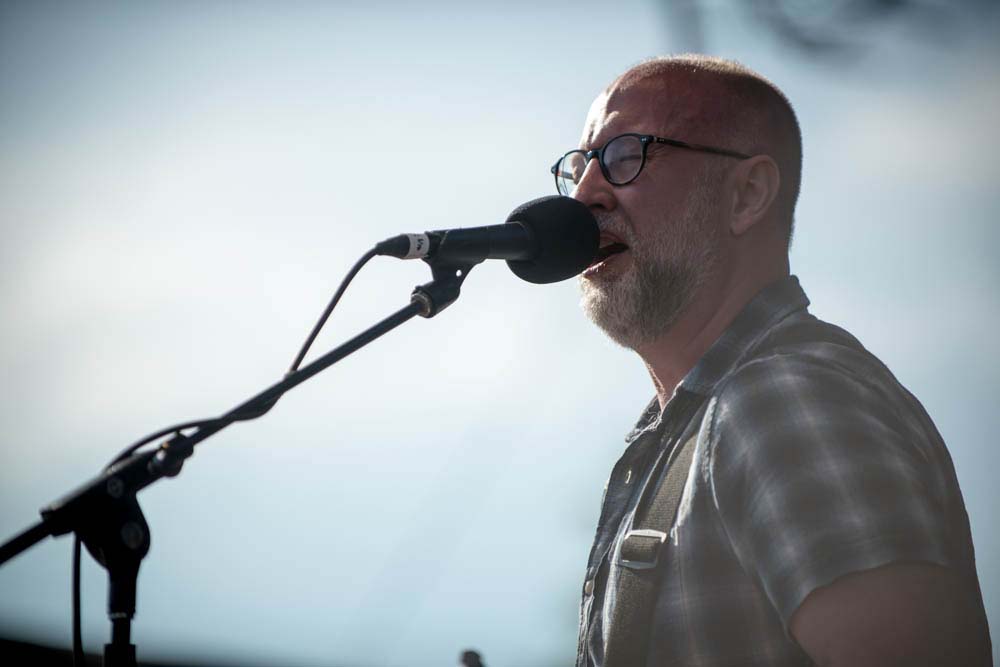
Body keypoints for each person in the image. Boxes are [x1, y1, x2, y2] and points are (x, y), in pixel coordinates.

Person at [554, 54, 993, 667]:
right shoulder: (701, 423)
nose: (585, 193)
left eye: (626, 154)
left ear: (748, 194)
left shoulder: (783, 397)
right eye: (579, 166)